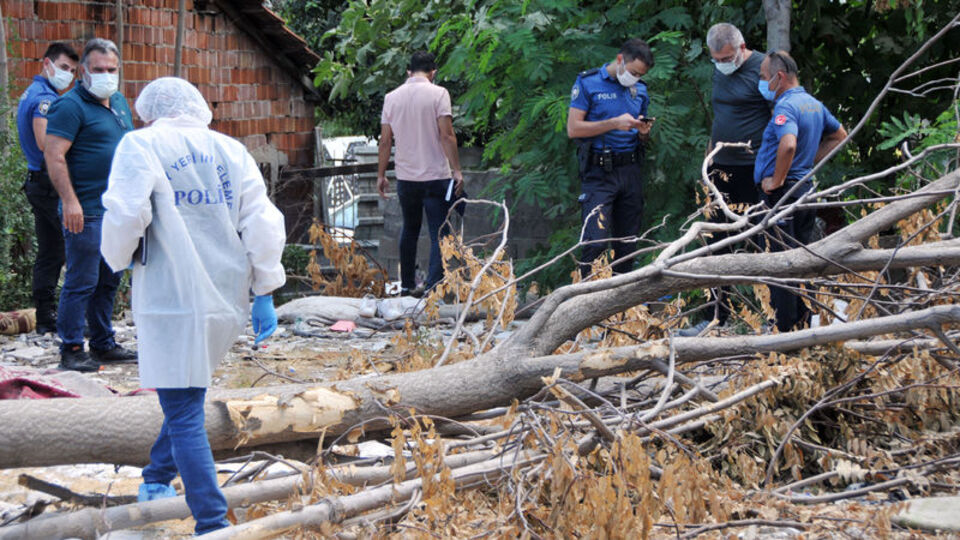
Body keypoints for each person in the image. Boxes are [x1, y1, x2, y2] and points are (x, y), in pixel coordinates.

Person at [100, 77, 286, 535]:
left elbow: (127, 212)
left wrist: (116, 258)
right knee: (187, 392)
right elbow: (261, 219)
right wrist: (264, 289)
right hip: (226, 291)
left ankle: (211, 521)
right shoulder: (230, 149)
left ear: (149, 110)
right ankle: (157, 478)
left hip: (171, 291)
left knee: (182, 406)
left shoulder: (140, 144)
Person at [44, 38, 136, 372]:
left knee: (110, 279)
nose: (105, 75)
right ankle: (70, 347)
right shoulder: (69, 106)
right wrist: (70, 201)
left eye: (111, 69)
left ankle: (102, 342)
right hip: (85, 209)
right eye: (98, 70)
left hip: (117, 209)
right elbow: (54, 156)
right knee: (82, 279)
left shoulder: (120, 102)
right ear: (83, 71)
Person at [680, 23, 771, 336]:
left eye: (728, 57)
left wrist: (771, 167)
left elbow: (781, 118)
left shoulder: (765, 67)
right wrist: (708, 165)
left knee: (766, 241)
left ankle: (774, 318)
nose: (723, 63)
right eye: (717, 58)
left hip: (755, 169)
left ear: (742, 47)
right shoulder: (721, 70)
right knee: (716, 244)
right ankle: (717, 318)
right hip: (720, 168)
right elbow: (721, 117)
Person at [754, 50, 847, 331]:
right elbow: (841, 136)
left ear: (779, 77)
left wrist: (777, 180)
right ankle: (803, 324)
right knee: (800, 260)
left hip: (782, 197)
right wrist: (808, 163)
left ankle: (784, 330)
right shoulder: (813, 104)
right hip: (804, 191)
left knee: (780, 263)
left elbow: (789, 145)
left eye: (763, 77)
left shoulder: (786, 107)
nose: (761, 83)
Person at [377, 51, 463, 297]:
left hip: (406, 178)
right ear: (433, 72)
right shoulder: (439, 94)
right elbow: (447, 135)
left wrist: (381, 174)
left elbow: (385, 142)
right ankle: (433, 289)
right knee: (440, 233)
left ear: (408, 72)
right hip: (436, 176)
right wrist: (457, 170)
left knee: (410, 229)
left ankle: (405, 286)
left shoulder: (391, 98)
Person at [567, 38, 655, 277]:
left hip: (630, 169)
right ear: (620, 60)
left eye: (640, 74)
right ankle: (586, 305)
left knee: (627, 245)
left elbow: (640, 136)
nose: (635, 78)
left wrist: (643, 134)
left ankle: (621, 310)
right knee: (594, 243)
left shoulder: (640, 90)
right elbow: (573, 129)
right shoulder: (589, 83)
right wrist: (614, 123)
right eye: (633, 72)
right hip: (599, 172)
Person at [15, 43, 79, 335]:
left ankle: (45, 316)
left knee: (52, 251)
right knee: (74, 245)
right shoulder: (44, 99)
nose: (68, 75)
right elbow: (45, 143)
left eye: (72, 71)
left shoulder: (35, 92)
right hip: (48, 183)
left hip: (39, 182)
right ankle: (70, 316)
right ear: (47, 64)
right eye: (64, 68)